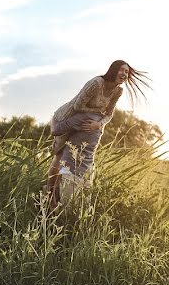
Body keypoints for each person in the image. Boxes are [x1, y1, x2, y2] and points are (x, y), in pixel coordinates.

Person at [44, 60, 150, 206]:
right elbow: (78, 105)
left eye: (127, 72)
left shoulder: (118, 91)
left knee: (69, 154)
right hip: (66, 117)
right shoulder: (97, 83)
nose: (124, 74)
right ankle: (49, 194)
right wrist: (96, 114)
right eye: (121, 70)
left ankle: (60, 191)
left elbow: (110, 113)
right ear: (113, 70)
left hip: (85, 120)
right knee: (59, 155)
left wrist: (99, 123)